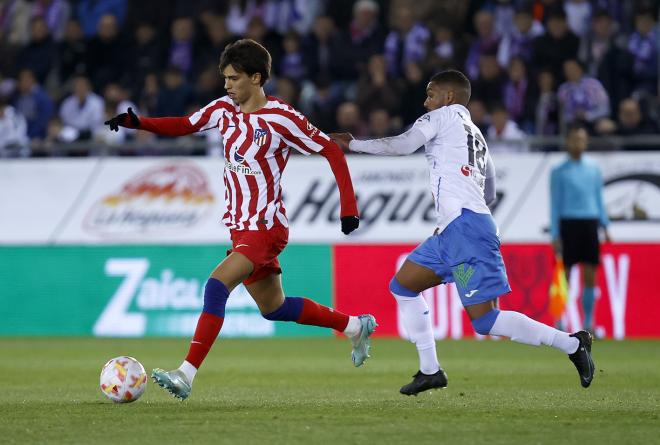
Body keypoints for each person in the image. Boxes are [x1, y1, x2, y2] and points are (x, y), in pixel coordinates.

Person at [105, 39, 376, 400]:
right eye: (225, 78)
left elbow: (330, 149)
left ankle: (186, 374)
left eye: (233, 78)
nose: (226, 85)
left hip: (265, 227)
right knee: (274, 308)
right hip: (239, 226)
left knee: (216, 286)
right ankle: (355, 326)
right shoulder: (223, 110)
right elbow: (184, 124)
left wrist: (348, 208)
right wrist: (138, 122)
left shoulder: (282, 118)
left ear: (256, 77)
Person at [331, 70, 595, 396]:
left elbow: (403, 145)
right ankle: (430, 370)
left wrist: (353, 143)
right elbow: (491, 189)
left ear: (449, 97)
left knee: (485, 321)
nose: (425, 102)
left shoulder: (441, 118)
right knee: (403, 285)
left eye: (430, 95)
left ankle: (571, 343)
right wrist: (458, 207)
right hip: (454, 230)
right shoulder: (477, 136)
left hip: (465, 230)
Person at [550, 122, 611, 335]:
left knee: (590, 275)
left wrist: (605, 224)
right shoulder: (559, 171)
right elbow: (555, 203)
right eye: (575, 139)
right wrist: (556, 233)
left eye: (582, 139)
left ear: (587, 142)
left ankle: (589, 322)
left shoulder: (593, 169)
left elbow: (598, 198)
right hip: (569, 224)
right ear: (568, 142)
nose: (578, 143)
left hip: (590, 223)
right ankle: (559, 321)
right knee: (564, 275)